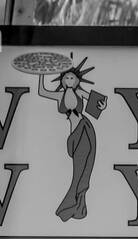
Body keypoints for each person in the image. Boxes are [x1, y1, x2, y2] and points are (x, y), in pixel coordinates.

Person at [36, 57, 105, 221]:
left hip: (85, 131)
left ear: (77, 80)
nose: (68, 80)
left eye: (71, 78)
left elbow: (99, 102)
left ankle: (75, 207)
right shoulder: (60, 96)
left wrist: (102, 106)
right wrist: (41, 75)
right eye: (66, 77)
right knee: (77, 171)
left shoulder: (80, 93)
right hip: (73, 136)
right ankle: (76, 206)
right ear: (62, 80)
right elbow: (42, 92)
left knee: (81, 172)